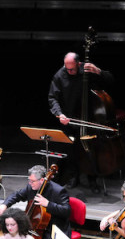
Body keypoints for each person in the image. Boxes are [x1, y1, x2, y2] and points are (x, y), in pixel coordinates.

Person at [47, 52, 115, 191]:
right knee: (72, 149)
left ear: (78, 64)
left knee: (92, 148)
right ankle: (74, 176)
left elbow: (111, 81)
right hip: (70, 119)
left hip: (91, 118)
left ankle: (92, 178)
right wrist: (59, 114)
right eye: (67, 68)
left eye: (71, 69)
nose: (69, 71)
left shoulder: (88, 70)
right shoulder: (60, 75)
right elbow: (52, 98)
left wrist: (99, 71)